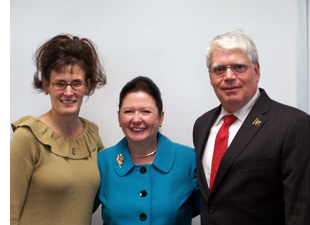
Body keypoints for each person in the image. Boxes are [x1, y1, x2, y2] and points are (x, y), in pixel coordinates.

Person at [193, 30, 310, 225]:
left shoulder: (293, 125)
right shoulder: (202, 125)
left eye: (239, 67)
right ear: (210, 76)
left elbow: (301, 211)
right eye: (219, 69)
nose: (229, 76)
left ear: (256, 71)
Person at [10, 34, 107, 225]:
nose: (68, 92)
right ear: (46, 85)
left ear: (87, 85)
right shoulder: (27, 137)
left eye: (76, 83)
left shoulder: (92, 137)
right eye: (60, 83)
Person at [94, 76, 201, 225]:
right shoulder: (102, 162)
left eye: (145, 111)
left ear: (160, 117)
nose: (136, 119)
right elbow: (76, 209)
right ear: (119, 117)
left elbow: (214, 212)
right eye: (128, 112)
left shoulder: (189, 160)